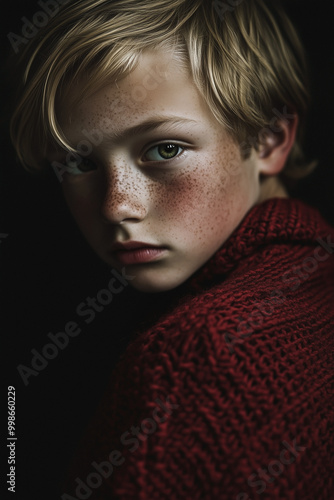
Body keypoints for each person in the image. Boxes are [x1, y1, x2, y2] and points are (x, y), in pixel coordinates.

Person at [9, 0, 334, 498]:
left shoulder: (201, 355)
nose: (117, 206)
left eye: (164, 149)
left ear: (269, 139)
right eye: (79, 163)